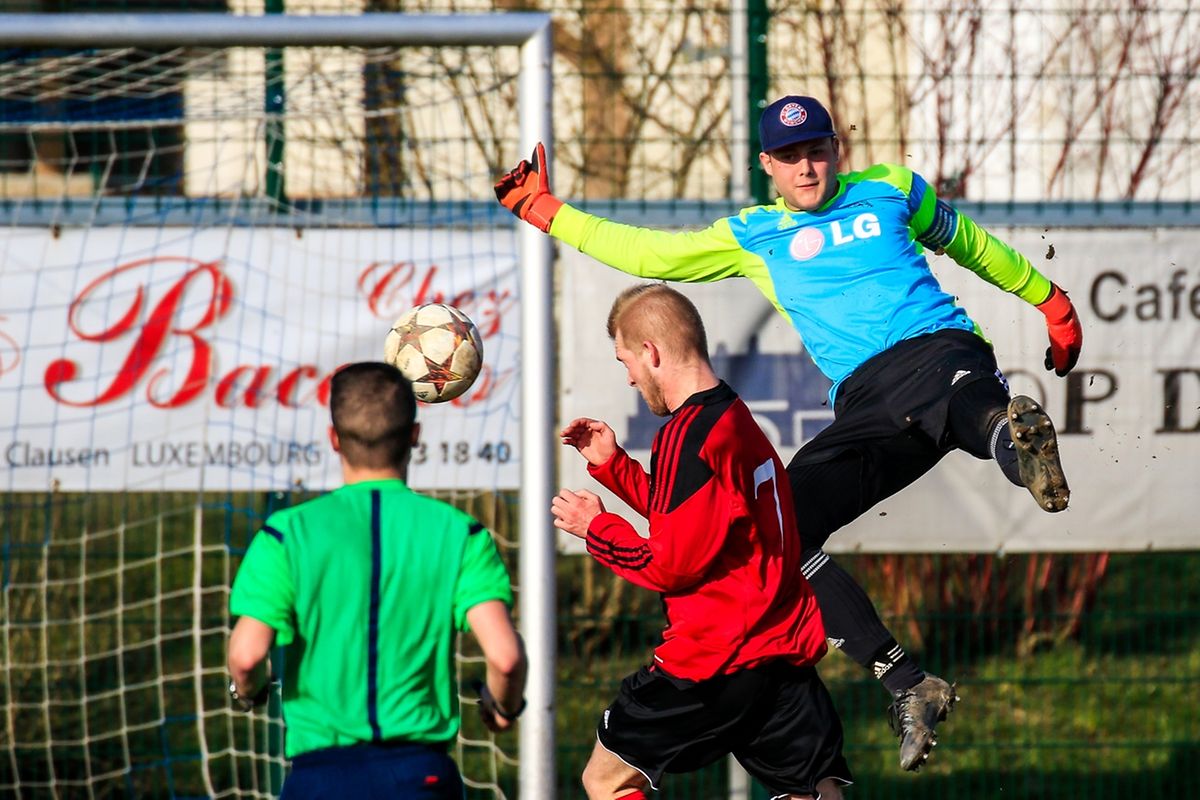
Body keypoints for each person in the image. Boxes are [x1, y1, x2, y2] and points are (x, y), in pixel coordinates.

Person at [497, 95, 1083, 771]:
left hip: (938, 349)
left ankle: (1016, 445)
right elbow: (647, 250)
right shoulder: (753, 235)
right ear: (766, 165)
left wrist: (1051, 301)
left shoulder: (890, 188)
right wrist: (546, 212)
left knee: (966, 399)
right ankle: (908, 683)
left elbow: (972, 244)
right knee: (781, 531)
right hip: (865, 402)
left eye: (817, 151)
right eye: (790, 157)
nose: (806, 168)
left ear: (837, 149)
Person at [552, 283, 852, 800]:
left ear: (651, 352)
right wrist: (613, 466)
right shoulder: (731, 418)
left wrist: (597, 528)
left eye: (625, 360)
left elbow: (671, 563)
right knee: (811, 792)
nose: (627, 376)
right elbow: (703, 523)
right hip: (777, 648)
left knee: (606, 779)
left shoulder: (686, 434)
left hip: (714, 658)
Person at [226, 361, 526, 799]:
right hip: (419, 775)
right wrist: (503, 706)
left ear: (334, 439)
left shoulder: (286, 534)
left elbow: (248, 656)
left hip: (320, 777)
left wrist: (247, 692)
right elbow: (505, 657)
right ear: (414, 437)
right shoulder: (460, 535)